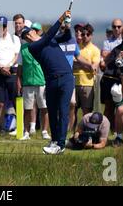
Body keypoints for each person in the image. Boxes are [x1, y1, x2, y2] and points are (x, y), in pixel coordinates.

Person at [28, 10, 73, 155]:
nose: (30, 34)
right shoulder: (33, 47)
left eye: (31, 32)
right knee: (53, 112)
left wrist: (67, 26)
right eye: (26, 35)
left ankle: (60, 144)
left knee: (63, 111)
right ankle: (54, 141)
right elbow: (48, 36)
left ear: (36, 32)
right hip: (51, 81)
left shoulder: (50, 40)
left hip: (66, 78)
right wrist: (60, 18)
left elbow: (66, 36)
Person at [0, 16, 20, 131]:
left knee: (16, 100)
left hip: (11, 72)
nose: (2, 28)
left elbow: (17, 55)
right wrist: (1, 67)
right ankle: (2, 128)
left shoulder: (14, 38)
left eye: (4, 26)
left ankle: (20, 127)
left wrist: (9, 66)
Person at [19, 26, 50, 140]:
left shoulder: (41, 45)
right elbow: (20, 68)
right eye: (24, 36)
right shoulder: (22, 48)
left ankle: (45, 131)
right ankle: (26, 133)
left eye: (27, 34)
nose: (26, 37)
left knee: (44, 108)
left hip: (42, 81)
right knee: (27, 109)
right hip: (27, 82)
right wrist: (19, 82)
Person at [73, 24, 101, 115]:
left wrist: (78, 64)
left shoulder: (95, 50)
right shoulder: (76, 47)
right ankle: (71, 129)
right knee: (72, 109)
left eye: (87, 34)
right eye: (83, 34)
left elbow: (94, 68)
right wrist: (86, 65)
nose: (85, 36)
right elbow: (71, 65)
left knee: (87, 111)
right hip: (74, 82)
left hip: (88, 84)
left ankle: (85, 129)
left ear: (91, 35)